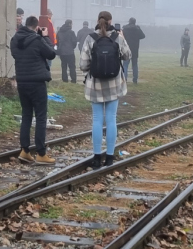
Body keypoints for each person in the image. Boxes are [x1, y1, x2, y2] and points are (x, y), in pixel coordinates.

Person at [79, 10, 131, 169]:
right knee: (111, 119)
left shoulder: (90, 38)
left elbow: (83, 65)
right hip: (114, 84)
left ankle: (96, 158)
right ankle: (109, 157)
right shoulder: (118, 38)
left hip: (95, 85)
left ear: (98, 20)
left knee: (96, 119)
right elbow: (128, 56)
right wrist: (122, 38)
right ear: (110, 21)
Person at [11, 16, 57, 165]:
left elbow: (15, 54)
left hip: (22, 82)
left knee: (26, 116)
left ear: (26, 24)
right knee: (41, 117)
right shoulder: (38, 40)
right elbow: (51, 53)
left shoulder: (15, 40)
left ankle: (25, 151)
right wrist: (45, 37)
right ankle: (41, 153)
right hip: (37, 82)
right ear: (36, 27)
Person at [121, 18, 146, 84]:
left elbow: (121, 37)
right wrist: (139, 29)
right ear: (135, 22)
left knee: (125, 65)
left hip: (126, 49)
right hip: (135, 49)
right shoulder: (137, 29)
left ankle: (125, 79)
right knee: (134, 65)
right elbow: (143, 36)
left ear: (129, 21)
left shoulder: (125, 29)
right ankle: (135, 80)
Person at [56, 19, 78, 83]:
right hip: (70, 51)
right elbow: (74, 41)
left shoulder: (59, 32)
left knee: (63, 66)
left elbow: (57, 42)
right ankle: (73, 80)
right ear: (70, 24)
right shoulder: (71, 32)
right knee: (72, 66)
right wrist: (72, 47)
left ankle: (64, 79)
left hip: (62, 52)